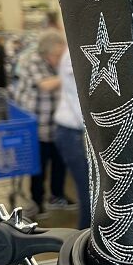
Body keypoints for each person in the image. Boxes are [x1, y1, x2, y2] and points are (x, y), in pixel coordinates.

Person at [12, 31, 71, 217]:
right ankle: (37, 202)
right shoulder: (32, 61)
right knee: (38, 166)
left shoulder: (57, 63)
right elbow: (45, 85)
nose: (60, 59)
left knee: (60, 161)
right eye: (57, 55)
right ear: (46, 53)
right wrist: (69, 75)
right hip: (36, 126)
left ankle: (57, 195)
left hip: (56, 124)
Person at [53, 49, 90, 230]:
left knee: (91, 195)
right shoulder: (76, 51)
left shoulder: (76, 50)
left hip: (75, 132)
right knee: (89, 195)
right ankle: (83, 248)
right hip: (74, 133)